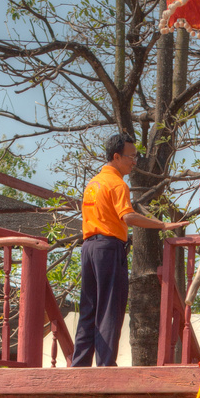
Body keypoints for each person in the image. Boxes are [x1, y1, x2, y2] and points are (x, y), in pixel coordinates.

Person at [73, 133, 187, 367]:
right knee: (110, 307)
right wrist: (162, 224)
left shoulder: (93, 183)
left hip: (88, 248)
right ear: (116, 157)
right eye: (131, 157)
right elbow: (129, 216)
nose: (134, 161)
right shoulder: (117, 183)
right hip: (108, 247)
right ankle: (106, 365)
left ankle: (79, 365)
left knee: (89, 306)